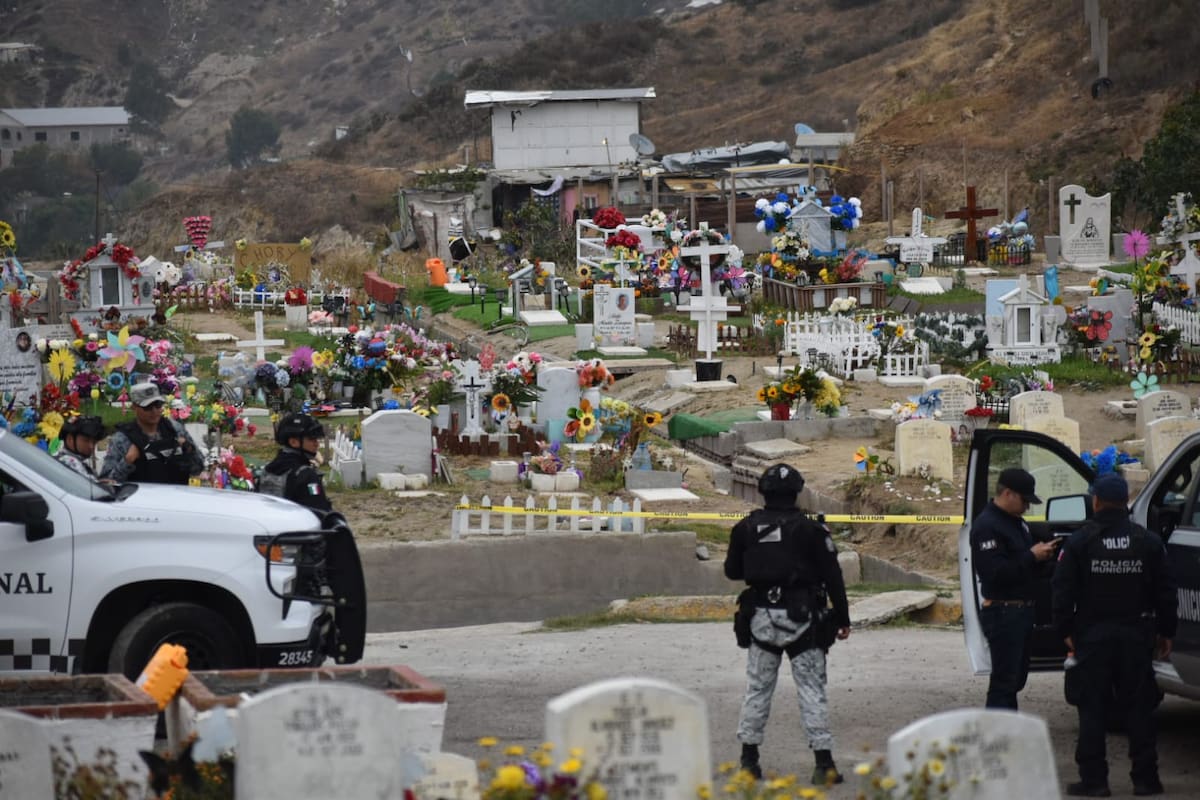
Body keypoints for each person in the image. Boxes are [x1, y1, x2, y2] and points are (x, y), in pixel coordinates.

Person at [724, 463, 850, 785]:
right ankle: (824, 765)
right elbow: (833, 577)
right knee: (811, 690)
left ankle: (748, 761)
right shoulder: (812, 530)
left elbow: (733, 572)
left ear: (762, 492)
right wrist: (843, 618)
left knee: (757, 689)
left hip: (761, 620)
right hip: (803, 619)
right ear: (797, 492)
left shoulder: (745, 528)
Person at [1052, 473, 1177, 797]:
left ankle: (1094, 782)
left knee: (1092, 707)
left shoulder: (1080, 541)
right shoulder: (1147, 541)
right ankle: (1146, 780)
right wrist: (1167, 631)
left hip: (1092, 636)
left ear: (1095, 501)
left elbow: (1062, 591)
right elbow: (1165, 590)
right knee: (1139, 708)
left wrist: (1064, 629)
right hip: (1137, 634)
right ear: (1125, 503)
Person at [969, 466, 1059, 710]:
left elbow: (1024, 568)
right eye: (1024, 500)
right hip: (1003, 611)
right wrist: (1031, 556)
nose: (1027, 507)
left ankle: (1006, 736)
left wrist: (1045, 558)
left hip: (1021, 611)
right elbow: (994, 573)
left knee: (1015, 679)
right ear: (1008, 493)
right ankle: (998, 741)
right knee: (1004, 682)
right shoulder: (987, 525)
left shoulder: (1017, 523)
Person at [100, 383, 203, 485]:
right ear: (134, 407)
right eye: (147, 407)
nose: (154, 411)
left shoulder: (175, 429)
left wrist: (189, 449)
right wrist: (127, 461)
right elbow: (107, 483)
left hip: (177, 497)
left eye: (158, 405)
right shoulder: (122, 439)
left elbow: (199, 468)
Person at [258, 412, 332, 512]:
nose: (317, 444)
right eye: (312, 439)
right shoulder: (306, 475)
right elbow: (320, 511)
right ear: (293, 442)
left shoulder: (267, 470)